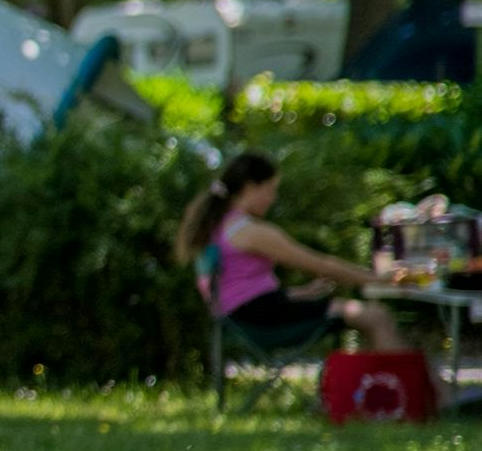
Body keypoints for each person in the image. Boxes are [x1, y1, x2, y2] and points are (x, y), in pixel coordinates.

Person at [176, 150, 412, 351]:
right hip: (259, 321)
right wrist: (377, 278)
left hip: (241, 318)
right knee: (376, 316)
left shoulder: (219, 225)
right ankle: (407, 396)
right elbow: (320, 264)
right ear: (250, 187)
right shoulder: (249, 232)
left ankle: (375, 390)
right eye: (270, 189)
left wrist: (302, 292)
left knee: (364, 315)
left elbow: (241, 288)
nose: (273, 198)